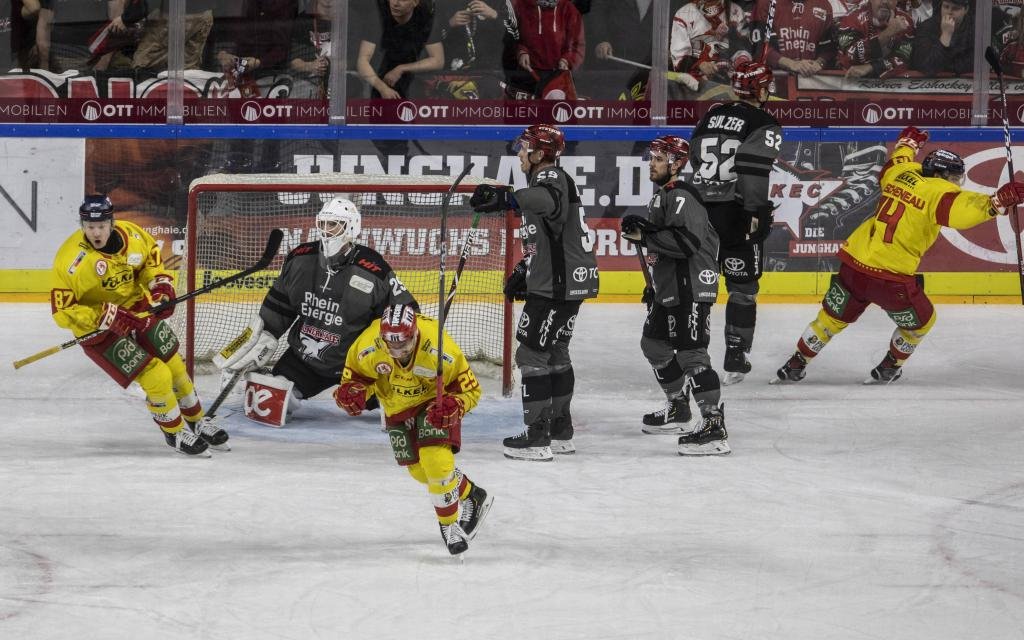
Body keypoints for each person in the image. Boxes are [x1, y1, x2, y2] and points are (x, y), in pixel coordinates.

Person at [773, 127, 1024, 384]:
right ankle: (890, 367)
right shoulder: (939, 192)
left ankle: (796, 362)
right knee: (923, 322)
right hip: (890, 277)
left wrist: (908, 143)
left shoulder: (900, 174)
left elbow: (899, 158)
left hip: (853, 264)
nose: (956, 182)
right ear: (941, 174)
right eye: (955, 177)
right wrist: (997, 202)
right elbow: (962, 212)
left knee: (830, 318)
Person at [49, 195, 229, 457]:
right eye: (89, 226)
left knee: (175, 366)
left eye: (100, 226)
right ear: (82, 225)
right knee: (156, 376)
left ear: (111, 222)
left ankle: (198, 420)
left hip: (138, 311)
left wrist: (161, 288)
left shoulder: (133, 235)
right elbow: (63, 312)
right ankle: (175, 431)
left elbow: (151, 264)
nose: (95, 232)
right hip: (99, 331)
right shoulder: (71, 261)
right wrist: (105, 316)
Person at [215, 197, 417, 421]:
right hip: (305, 360)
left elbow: (407, 315)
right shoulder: (301, 259)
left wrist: (402, 365)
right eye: (323, 223)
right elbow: (275, 313)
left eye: (334, 224)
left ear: (351, 226)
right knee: (268, 404)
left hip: (358, 364)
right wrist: (249, 344)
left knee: (401, 409)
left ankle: (391, 393)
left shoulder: (373, 269)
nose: (326, 230)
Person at [470, 124, 599, 461]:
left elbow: (547, 200)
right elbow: (547, 237)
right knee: (555, 351)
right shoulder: (543, 183)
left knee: (530, 354)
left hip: (558, 286)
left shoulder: (550, 179)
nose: (519, 153)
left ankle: (537, 435)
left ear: (540, 154)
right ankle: (560, 430)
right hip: (564, 281)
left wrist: (505, 197)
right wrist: (525, 270)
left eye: (524, 148)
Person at [334, 304, 493, 555]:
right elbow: (356, 381)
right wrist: (354, 393)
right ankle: (473, 495)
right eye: (391, 345)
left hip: (434, 405)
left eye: (404, 345)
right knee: (420, 472)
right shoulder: (368, 346)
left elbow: (471, 390)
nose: (397, 352)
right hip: (396, 407)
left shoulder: (441, 350)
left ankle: (450, 528)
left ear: (415, 334)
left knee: (436, 462)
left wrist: (457, 404)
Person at [620, 136, 729, 456]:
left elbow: (686, 244)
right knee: (653, 344)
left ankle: (714, 427)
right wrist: (644, 236)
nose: (651, 163)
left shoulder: (681, 194)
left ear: (677, 163)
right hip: (671, 287)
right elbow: (661, 242)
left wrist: (648, 233)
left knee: (692, 354)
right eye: (651, 157)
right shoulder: (663, 197)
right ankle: (679, 408)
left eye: (658, 158)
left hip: (691, 286)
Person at [686, 60, 782, 385]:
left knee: (698, 286)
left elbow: (694, 156)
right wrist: (756, 214)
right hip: (735, 214)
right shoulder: (765, 122)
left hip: (699, 208)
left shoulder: (711, 113)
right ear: (762, 89)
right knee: (742, 288)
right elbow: (753, 172)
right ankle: (736, 356)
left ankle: (691, 353)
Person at [356, 0, 445, 100]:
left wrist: (401, 68)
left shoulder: (426, 20)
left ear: (415, 2)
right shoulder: (377, 18)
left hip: (415, 83)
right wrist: (383, 89)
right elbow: (362, 61)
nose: (395, 3)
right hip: (379, 80)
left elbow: (438, 61)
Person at [503, 0, 585, 100]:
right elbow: (512, 37)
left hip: (558, 78)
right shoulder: (520, 6)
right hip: (527, 76)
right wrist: (521, 51)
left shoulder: (569, 9)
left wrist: (567, 60)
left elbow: (577, 45)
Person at [749, 0, 836, 77]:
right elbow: (758, 46)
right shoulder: (765, 3)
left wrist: (819, 63)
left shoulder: (824, 5)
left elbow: (829, 48)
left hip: (810, 82)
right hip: (775, 82)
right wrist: (791, 64)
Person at [835, 0, 914, 79]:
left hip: (890, 85)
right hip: (848, 82)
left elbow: (903, 60)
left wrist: (872, 67)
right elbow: (849, 57)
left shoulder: (905, 20)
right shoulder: (852, 17)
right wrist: (888, 33)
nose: (885, 1)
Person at [909, 0, 973, 76]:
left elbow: (974, 63)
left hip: (964, 83)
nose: (949, 12)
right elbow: (926, 67)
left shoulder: (974, 28)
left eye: (955, 9)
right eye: (946, 7)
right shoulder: (926, 27)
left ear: (966, 9)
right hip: (929, 84)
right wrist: (946, 36)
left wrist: (944, 65)